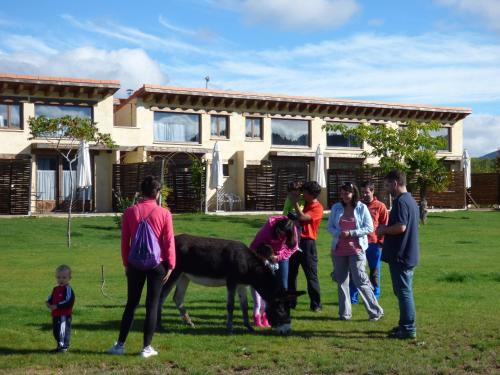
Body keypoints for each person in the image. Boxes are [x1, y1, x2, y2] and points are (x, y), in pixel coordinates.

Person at [108, 176, 176, 358]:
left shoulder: (130, 212)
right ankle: (146, 348)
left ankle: (120, 345)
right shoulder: (164, 213)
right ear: (157, 193)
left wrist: (126, 263)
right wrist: (171, 265)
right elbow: (169, 241)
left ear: (141, 192)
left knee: (131, 304)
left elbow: (125, 242)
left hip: (135, 264)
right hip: (157, 264)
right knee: (152, 306)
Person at [328, 182, 384, 321]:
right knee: (341, 282)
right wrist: (338, 233)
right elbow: (329, 227)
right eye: (342, 193)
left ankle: (375, 311)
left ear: (353, 194)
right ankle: (345, 314)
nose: (344, 196)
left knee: (361, 280)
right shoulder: (336, 208)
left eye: (347, 193)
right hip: (339, 250)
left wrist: (351, 233)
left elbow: (369, 228)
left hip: (356, 249)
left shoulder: (361, 207)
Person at [377, 169, 419, 339]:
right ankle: (404, 325)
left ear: (395, 183)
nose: (386, 189)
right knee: (402, 291)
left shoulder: (401, 202)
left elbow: (401, 227)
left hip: (402, 255)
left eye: (388, 185)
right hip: (407, 253)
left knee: (404, 292)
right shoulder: (410, 200)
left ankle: (408, 328)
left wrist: (383, 230)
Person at [249, 216, 299, 327]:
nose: (281, 235)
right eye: (279, 232)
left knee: (283, 287)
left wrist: (279, 256)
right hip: (265, 254)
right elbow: (254, 245)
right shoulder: (269, 227)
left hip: (281, 257)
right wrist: (259, 259)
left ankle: (283, 316)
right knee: (265, 288)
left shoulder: (292, 230)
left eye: (283, 235)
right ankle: (262, 314)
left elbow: (293, 247)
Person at [349, 181, 388, 304]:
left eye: (367, 192)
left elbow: (384, 225)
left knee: (374, 271)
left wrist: (380, 242)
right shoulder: (357, 205)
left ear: (372, 191)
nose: (364, 195)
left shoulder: (380, 206)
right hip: (358, 244)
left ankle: (374, 296)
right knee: (356, 271)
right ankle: (353, 298)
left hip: (373, 244)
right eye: (362, 192)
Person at [287, 181, 324, 312]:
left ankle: (316, 304)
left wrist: (294, 203)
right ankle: (291, 303)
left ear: (312, 194)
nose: (302, 194)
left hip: (307, 244)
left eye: (305, 192)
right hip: (294, 241)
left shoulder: (317, 208)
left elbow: (303, 218)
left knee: (311, 275)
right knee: (291, 274)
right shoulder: (304, 203)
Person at [46, 264, 75, 353]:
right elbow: (51, 298)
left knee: (62, 331)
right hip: (56, 314)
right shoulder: (55, 289)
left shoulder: (68, 289)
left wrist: (57, 305)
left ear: (69, 278)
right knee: (56, 331)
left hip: (64, 315)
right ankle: (59, 345)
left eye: (64, 277)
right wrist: (48, 303)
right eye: (59, 277)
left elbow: (68, 301)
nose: (61, 280)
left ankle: (63, 347)